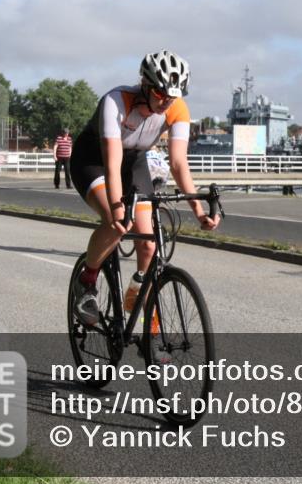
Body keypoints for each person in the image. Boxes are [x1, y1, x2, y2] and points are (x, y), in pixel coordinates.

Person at [69, 50, 219, 327]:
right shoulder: (116, 101)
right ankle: (86, 282)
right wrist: (116, 208)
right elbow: (112, 165)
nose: (167, 102)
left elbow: (178, 163)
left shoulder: (176, 108)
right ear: (146, 85)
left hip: (134, 162)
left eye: (173, 96)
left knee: (149, 244)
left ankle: (141, 299)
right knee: (116, 223)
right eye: (161, 94)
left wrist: (198, 211)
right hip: (94, 161)